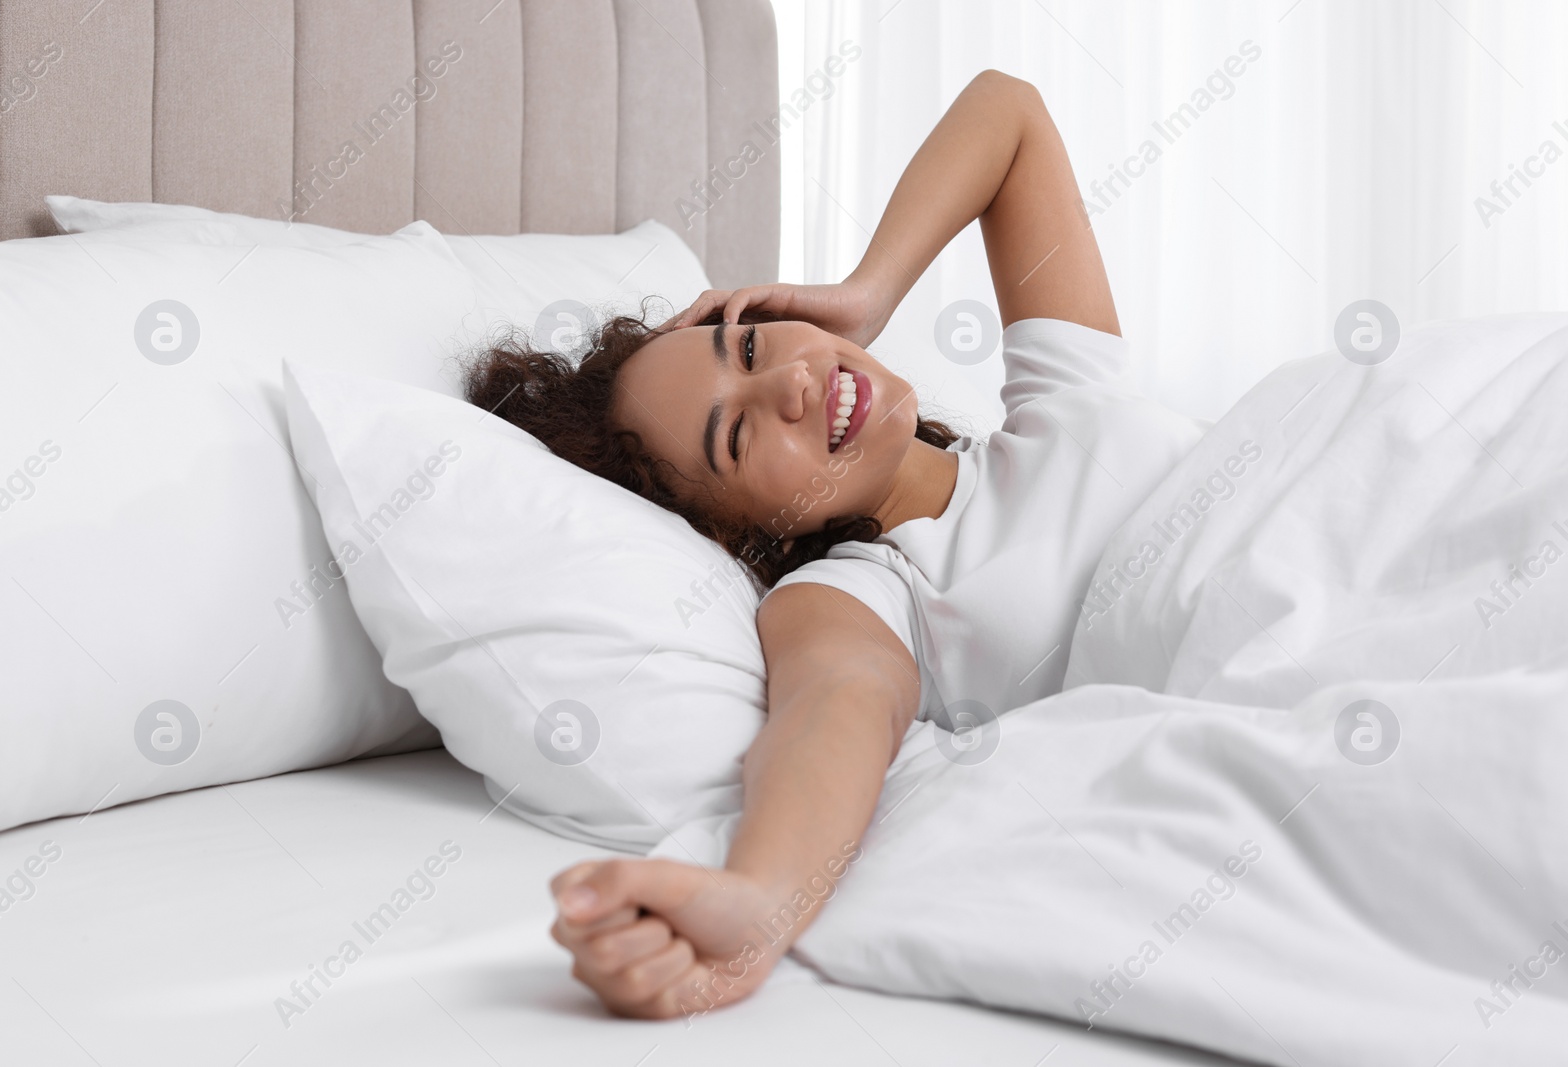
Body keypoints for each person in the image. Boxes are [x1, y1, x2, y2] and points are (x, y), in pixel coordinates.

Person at [464, 69, 1206, 1019]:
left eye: (750, 346)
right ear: (743, 532)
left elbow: (1008, 111)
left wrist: (864, 293)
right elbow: (834, 714)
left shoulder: (1060, 399)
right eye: (736, 437)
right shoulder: (862, 593)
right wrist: (758, 905)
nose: (791, 386)